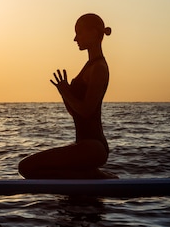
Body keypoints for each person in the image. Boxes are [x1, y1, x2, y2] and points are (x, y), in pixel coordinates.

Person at [18, 13, 116, 179]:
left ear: (93, 33)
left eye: (79, 33)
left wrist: (66, 92)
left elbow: (86, 110)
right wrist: (64, 93)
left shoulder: (98, 68)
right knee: (27, 168)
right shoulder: (90, 65)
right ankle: (86, 174)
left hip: (93, 148)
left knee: (26, 167)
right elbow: (75, 112)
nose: (75, 38)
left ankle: (93, 176)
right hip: (85, 146)